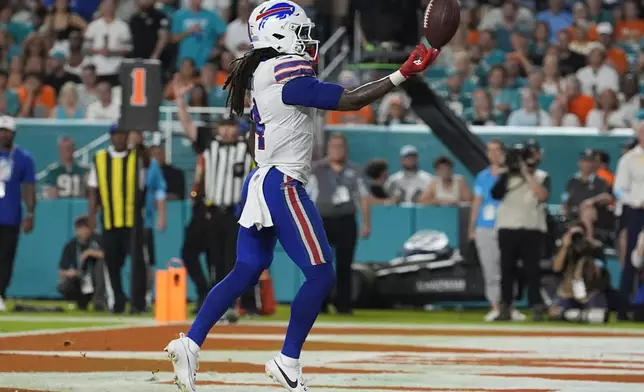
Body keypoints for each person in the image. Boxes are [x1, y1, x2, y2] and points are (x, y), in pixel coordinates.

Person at [163, 1, 440, 391]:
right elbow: (351, 101)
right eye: (301, 32)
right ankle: (287, 360)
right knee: (321, 274)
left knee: (246, 269)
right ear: (278, 33)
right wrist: (403, 73)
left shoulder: (262, 69)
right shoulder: (283, 70)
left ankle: (189, 342)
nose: (308, 41)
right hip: (282, 183)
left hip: (262, 179)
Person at [173, 81, 254, 315]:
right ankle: (203, 291)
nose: (227, 130)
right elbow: (188, 126)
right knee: (189, 251)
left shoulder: (247, 147)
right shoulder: (209, 143)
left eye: (231, 126)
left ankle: (223, 304)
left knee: (226, 261)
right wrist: (180, 100)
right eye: (224, 126)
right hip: (207, 210)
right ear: (218, 127)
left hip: (233, 213)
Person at [307, 134, 372, 314]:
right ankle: (321, 303)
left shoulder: (354, 170)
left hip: (346, 220)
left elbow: (363, 196)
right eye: (334, 146)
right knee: (321, 264)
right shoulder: (317, 169)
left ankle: (343, 304)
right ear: (328, 149)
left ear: (346, 149)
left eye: (340, 146)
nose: (337, 150)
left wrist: (366, 222)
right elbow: (307, 196)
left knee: (345, 264)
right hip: (323, 220)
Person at [87, 125, 147, 314]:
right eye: (116, 135)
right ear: (111, 137)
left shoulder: (136, 158)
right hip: (110, 220)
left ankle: (138, 302)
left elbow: (143, 187)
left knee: (137, 263)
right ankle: (118, 300)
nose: (119, 139)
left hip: (132, 221)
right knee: (112, 264)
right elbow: (93, 191)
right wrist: (92, 217)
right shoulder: (100, 159)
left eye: (123, 135)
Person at [491, 142, 551, 321]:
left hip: (532, 228)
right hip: (508, 227)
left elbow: (542, 196)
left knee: (532, 270)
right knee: (506, 269)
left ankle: (536, 305)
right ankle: (505, 306)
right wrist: (508, 171)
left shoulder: (542, 176)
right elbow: (495, 194)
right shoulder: (506, 176)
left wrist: (526, 173)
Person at [468, 140, 526, 322]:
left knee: (508, 269)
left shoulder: (511, 175)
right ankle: (495, 306)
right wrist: (472, 227)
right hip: (485, 226)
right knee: (490, 269)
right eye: (490, 151)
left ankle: (510, 306)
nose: (493, 154)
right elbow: (477, 203)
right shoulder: (482, 176)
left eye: (497, 151)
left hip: (507, 225)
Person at [0, 115, 36, 312]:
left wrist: (30, 214)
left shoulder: (23, 157)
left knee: (6, 258)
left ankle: (0, 293)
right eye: (1, 131)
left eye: (7, 132)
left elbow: (29, 187)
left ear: (13, 134)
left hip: (9, 215)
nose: (3, 135)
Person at [129, 130, 167, 310]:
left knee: (146, 260)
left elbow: (160, 190)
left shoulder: (150, 164)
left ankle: (146, 296)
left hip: (146, 220)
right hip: (124, 219)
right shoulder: (120, 161)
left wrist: (161, 216)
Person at [613, 121, 644, 321]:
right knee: (631, 259)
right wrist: (635, 201)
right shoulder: (629, 159)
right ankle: (623, 306)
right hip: (637, 211)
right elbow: (618, 188)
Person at [549, 223, 609, 323]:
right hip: (567, 292)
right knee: (555, 313)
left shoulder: (594, 248)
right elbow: (556, 268)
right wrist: (564, 247)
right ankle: (575, 315)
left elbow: (598, 272)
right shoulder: (564, 249)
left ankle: (577, 315)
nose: (576, 239)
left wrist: (589, 251)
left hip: (589, 291)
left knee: (598, 314)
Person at [57, 215, 106, 311]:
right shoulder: (71, 245)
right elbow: (61, 271)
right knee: (64, 285)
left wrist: (90, 252)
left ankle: (98, 300)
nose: (84, 232)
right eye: (80, 228)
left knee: (102, 265)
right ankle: (80, 301)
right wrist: (70, 273)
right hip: (80, 279)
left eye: (86, 228)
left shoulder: (97, 239)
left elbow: (108, 255)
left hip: (94, 278)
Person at [84, 0, 132, 86]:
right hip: (98, 68)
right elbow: (87, 47)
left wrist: (112, 52)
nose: (108, 8)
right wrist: (100, 51)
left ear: (115, 7)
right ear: (101, 7)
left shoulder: (123, 26)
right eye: (106, 5)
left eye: (111, 5)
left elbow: (128, 48)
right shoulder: (93, 26)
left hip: (117, 68)